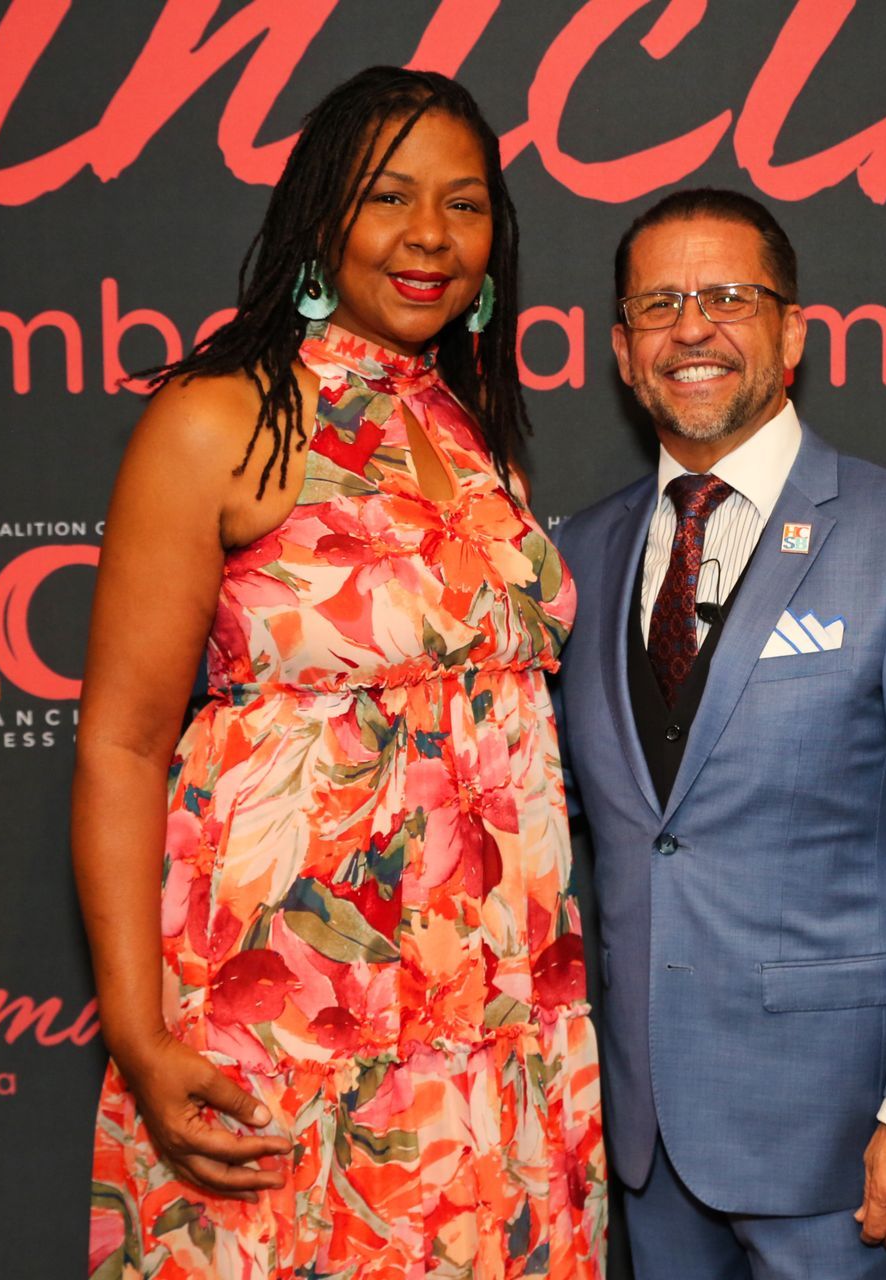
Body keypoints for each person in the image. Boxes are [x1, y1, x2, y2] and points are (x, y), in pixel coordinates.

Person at [74, 67, 604, 1279]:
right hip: (295, 1003)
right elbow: (120, 741)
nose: (430, 235)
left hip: (490, 1006)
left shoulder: (470, 428)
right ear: (321, 216)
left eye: (465, 205)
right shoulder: (220, 419)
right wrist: (140, 1033)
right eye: (388, 196)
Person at [554, 188, 886, 1279]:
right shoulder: (576, 554)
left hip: (850, 1145)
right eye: (659, 304)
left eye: (728, 295)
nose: (693, 327)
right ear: (624, 352)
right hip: (647, 1141)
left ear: (794, 332)